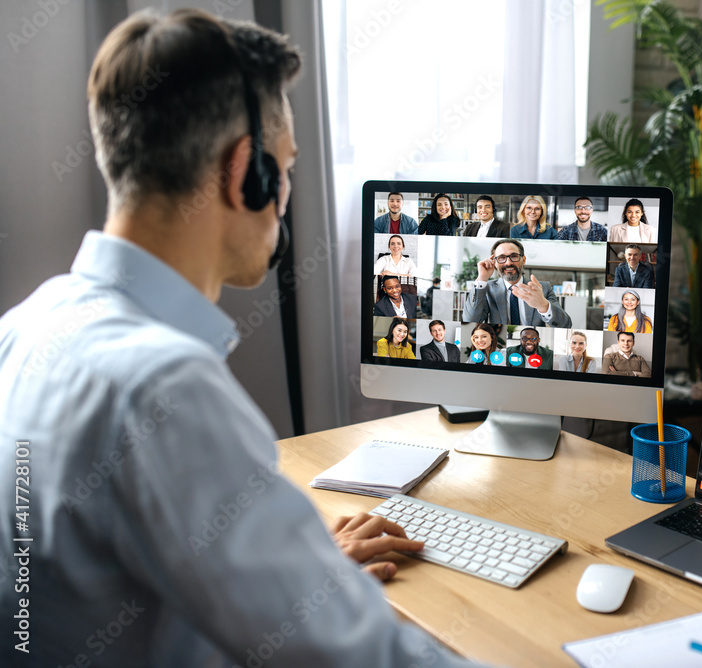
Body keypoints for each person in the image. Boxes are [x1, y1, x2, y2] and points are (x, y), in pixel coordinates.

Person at [0, 10, 487, 667]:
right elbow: (365, 657)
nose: (283, 194)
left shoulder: (26, 326)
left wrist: (297, 580)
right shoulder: (164, 388)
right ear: (247, 173)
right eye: (283, 169)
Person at [462, 238, 571, 327]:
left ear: (523, 260)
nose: (508, 263)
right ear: (494, 262)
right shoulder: (487, 288)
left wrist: (543, 305)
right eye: (501, 258)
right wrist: (481, 279)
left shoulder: (543, 288)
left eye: (514, 256)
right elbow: (470, 321)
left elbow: (565, 325)